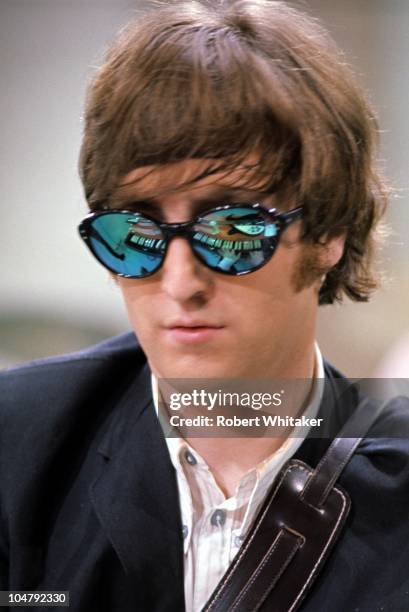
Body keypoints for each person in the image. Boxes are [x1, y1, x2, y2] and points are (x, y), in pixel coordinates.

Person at [1, 1, 408, 610]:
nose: (179, 280)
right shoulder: (23, 446)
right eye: (136, 235)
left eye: (232, 232)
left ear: (329, 232)